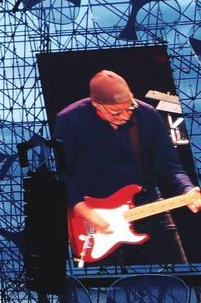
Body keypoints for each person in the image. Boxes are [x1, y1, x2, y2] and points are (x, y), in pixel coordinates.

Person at [55, 70, 201, 263]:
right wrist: (83, 210)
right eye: (116, 111)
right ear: (96, 104)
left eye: (129, 107)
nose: (125, 116)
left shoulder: (147, 115)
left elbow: (170, 165)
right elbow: (63, 172)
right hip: (93, 214)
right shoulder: (70, 120)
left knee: (181, 278)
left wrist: (187, 189)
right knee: (106, 286)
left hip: (148, 204)